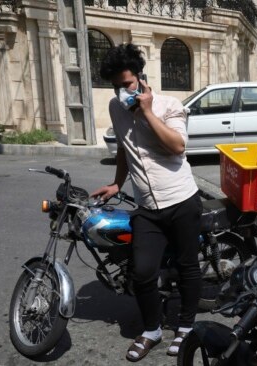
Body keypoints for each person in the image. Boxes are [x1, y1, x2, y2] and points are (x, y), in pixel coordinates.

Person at [90, 43, 202, 362]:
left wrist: (148, 111)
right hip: (147, 209)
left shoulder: (169, 105)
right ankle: (152, 330)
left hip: (182, 201)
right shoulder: (116, 108)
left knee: (187, 267)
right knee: (142, 273)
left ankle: (185, 328)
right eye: (115, 86)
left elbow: (178, 146)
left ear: (140, 78)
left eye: (125, 85)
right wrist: (116, 183)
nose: (120, 92)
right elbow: (125, 149)